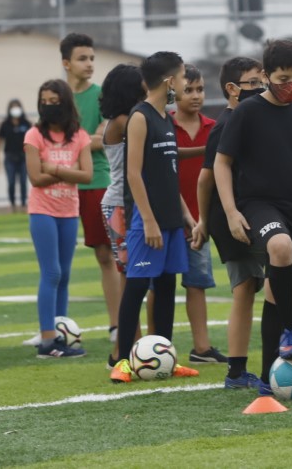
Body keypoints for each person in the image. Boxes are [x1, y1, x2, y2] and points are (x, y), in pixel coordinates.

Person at [214, 39, 292, 395]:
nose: (291, 85)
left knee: (280, 292)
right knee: (280, 246)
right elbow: (221, 163)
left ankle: (266, 381)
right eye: (282, 79)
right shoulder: (247, 112)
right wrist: (231, 212)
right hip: (257, 205)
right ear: (265, 76)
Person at [110, 51, 199, 384]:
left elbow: (168, 175)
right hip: (146, 221)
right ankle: (121, 362)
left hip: (172, 220)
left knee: (166, 286)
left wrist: (187, 216)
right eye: (183, 76)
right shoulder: (140, 116)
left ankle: (166, 359)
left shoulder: (166, 118)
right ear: (170, 81)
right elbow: (134, 174)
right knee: (136, 287)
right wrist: (148, 220)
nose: (185, 82)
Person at [190, 55, 269, 389]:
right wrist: (204, 222)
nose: (261, 88)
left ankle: (249, 364)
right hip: (230, 219)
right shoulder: (226, 125)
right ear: (233, 89)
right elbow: (205, 179)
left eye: (262, 82)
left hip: (249, 215)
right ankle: (238, 370)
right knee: (245, 287)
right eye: (253, 83)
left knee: (253, 286)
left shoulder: (251, 119)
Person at [61, 32, 123, 357]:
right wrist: (85, 141)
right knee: (58, 263)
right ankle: (52, 328)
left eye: (92, 58)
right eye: (82, 58)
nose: (89, 64)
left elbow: (104, 139)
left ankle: (117, 324)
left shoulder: (100, 95)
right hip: (60, 186)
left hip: (96, 182)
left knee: (105, 255)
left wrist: (70, 146)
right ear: (66, 63)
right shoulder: (57, 96)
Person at [22, 78, 93, 358]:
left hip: (68, 211)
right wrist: (68, 171)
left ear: (65, 102)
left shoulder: (80, 136)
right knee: (51, 273)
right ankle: (47, 341)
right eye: (44, 101)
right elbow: (36, 178)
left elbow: (87, 175)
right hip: (43, 211)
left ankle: (60, 332)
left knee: (64, 276)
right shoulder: (34, 136)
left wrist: (53, 168)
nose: (48, 106)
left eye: (54, 101)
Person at [171, 64, 226, 364]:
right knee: (161, 285)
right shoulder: (164, 126)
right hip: (169, 219)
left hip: (200, 221)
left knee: (197, 283)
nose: (195, 96)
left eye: (200, 89)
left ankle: (201, 348)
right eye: (188, 90)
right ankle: (158, 345)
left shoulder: (214, 127)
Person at [99, 63, 146, 365]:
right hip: (120, 205)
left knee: (135, 276)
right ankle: (122, 350)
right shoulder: (123, 121)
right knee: (130, 276)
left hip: (129, 204)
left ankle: (134, 345)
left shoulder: (129, 119)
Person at [0, 98, 32, 209]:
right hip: (10, 157)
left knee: (23, 181)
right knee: (11, 181)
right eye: (13, 107)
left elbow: (33, 141)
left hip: (23, 157)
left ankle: (23, 203)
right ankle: (12, 204)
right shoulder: (5, 124)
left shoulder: (26, 124)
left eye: (17, 107)